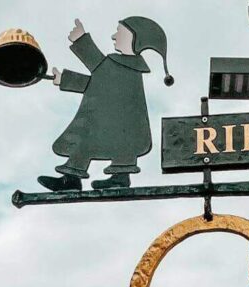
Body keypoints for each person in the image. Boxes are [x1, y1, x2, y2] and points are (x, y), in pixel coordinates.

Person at [38, 17, 173, 192]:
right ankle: (72, 179)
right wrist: (63, 79)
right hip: (107, 126)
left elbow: (98, 66)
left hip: (120, 128)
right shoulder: (119, 66)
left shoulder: (126, 67)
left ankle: (118, 177)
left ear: (134, 39)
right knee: (84, 143)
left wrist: (81, 39)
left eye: (120, 32)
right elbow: (98, 84)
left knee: (94, 144)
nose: (114, 36)